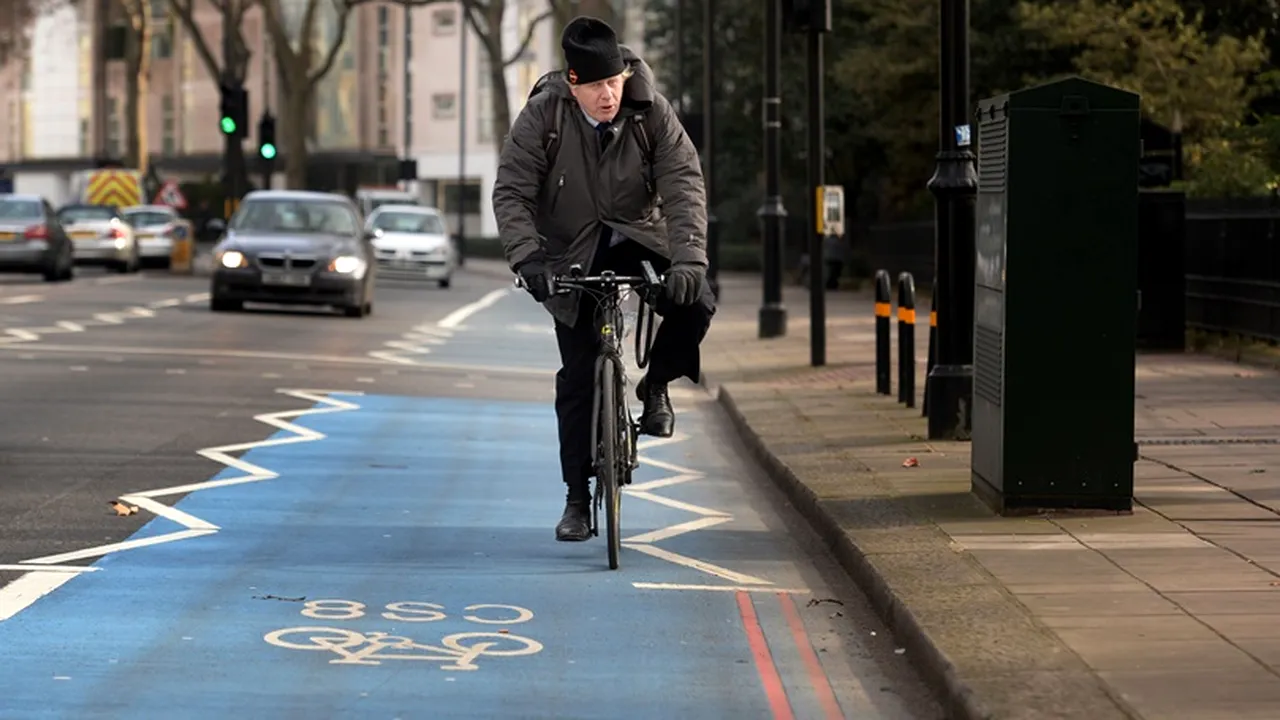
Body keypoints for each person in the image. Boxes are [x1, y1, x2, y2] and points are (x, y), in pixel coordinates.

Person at [493, 16, 715, 543]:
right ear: (573, 85)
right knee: (577, 376)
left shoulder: (651, 111)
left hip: (640, 235)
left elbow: (683, 184)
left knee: (696, 302)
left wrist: (688, 260)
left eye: (614, 82)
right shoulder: (543, 115)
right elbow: (512, 191)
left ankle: (656, 384)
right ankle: (577, 499)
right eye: (595, 86)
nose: (608, 95)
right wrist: (528, 260)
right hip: (570, 250)